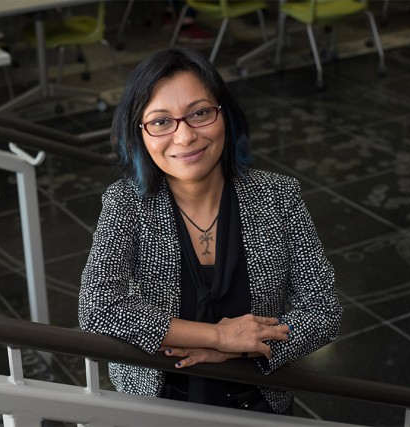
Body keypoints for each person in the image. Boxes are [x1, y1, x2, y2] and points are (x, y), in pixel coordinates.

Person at [78, 47, 343, 415]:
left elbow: (323, 311)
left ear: (225, 115)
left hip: (261, 399)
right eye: (161, 121)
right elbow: (97, 308)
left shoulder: (278, 195)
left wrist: (243, 346)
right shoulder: (126, 203)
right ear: (139, 133)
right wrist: (218, 336)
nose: (184, 137)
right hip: (157, 405)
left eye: (200, 113)